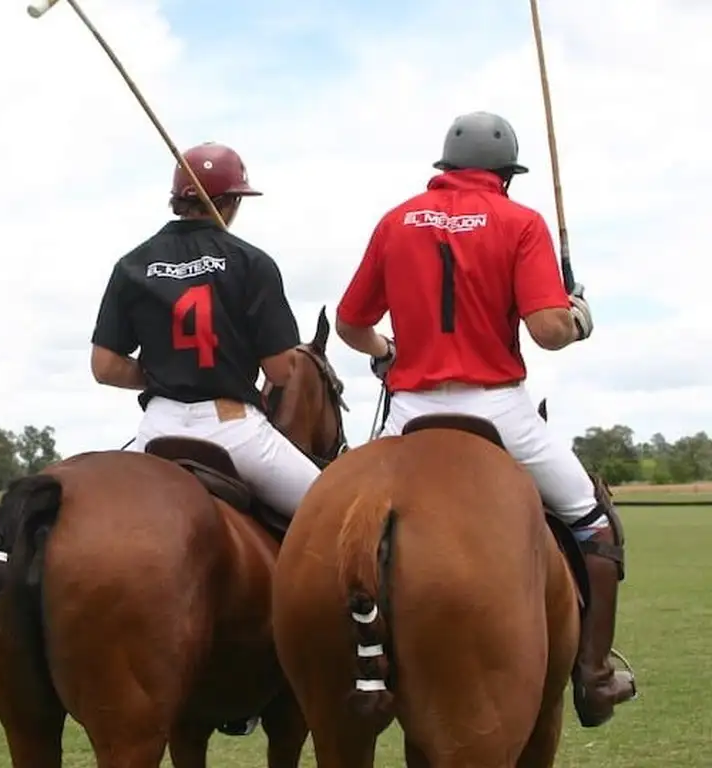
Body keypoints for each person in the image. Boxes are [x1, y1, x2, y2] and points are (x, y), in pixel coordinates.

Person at [333, 111, 636, 728]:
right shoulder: (520, 222)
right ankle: (593, 674)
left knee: (338, 520)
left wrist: (387, 351)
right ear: (506, 174)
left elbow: (350, 324)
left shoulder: (396, 220)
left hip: (410, 410)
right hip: (498, 409)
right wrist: (578, 316)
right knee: (594, 523)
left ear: (446, 167)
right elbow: (547, 331)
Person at [89, 141, 321, 522]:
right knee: (333, 511)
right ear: (229, 202)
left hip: (158, 430)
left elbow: (105, 366)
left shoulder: (131, 264)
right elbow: (281, 371)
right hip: (235, 432)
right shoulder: (252, 262)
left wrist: (162, 373)